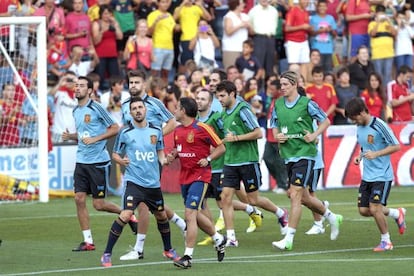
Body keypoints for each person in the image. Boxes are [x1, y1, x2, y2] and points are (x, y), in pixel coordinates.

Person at [100, 97, 179, 267]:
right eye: (134, 108)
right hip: (134, 182)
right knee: (126, 214)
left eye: (140, 107)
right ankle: (106, 253)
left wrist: (165, 160)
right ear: (130, 112)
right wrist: (121, 162)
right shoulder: (125, 132)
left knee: (161, 215)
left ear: (145, 110)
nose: (137, 110)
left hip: (152, 183)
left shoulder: (156, 130)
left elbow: (159, 152)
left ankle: (168, 249)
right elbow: (115, 154)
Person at [271, 71, 343, 251]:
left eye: (285, 85)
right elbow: (273, 125)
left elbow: (325, 121)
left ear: (294, 84)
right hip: (288, 155)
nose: (282, 88)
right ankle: (331, 216)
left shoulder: (307, 103)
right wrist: (277, 136)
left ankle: (288, 238)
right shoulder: (278, 104)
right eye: (281, 85)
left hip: (305, 154)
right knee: (304, 197)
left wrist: (314, 134)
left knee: (295, 194)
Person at [62, 76, 136, 252]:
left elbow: (114, 127)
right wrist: (71, 136)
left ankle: (128, 214)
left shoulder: (96, 107)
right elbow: (84, 134)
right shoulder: (75, 111)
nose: (77, 88)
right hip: (81, 161)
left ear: (89, 91)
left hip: (98, 162)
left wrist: (96, 139)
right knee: (79, 198)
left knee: (98, 204)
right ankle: (88, 241)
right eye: (76, 85)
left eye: (81, 86)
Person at [119, 70, 186, 261]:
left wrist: (154, 140)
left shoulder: (155, 103)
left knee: (142, 204)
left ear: (144, 85)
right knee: (152, 204)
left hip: (151, 158)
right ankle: (181, 223)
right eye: (130, 82)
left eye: (136, 82)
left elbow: (173, 122)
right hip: (133, 158)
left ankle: (139, 249)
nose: (133, 85)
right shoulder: (125, 106)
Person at [216, 80, 288, 247]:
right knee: (225, 198)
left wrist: (236, 138)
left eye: (222, 96)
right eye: (217, 96)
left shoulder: (243, 110)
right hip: (230, 162)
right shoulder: (224, 112)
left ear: (232, 94)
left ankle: (280, 213)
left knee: (253, 200)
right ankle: (231, 237)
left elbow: (258, 133)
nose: (219, 99)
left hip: (248, 161)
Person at [166, 97, 227, 269]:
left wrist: (208, 159)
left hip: (200, 176)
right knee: (195, 214)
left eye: (177, 108)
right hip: (184, 177)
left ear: (183, 110)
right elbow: (179, 150)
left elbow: (221, 147)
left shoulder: (202, 128)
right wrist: (172, 156)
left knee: (190, 214)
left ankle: (187, 257)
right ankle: (218, 238)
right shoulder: (177, 131)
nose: (175, 111)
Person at [344, 97, 406, 252]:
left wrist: (377, 154)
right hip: (367, 176)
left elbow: (396, 146)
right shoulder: (359, 127)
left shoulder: (379, 125)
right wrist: (360, 156)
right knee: (364, 210)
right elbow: (365, 147)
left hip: (382, 176)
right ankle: (396, 213)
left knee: (375, 207)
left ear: (363, 112)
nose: (354, 121)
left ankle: (386, 241)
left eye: (355, 118)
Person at [91, 4, 123, 90]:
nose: (107, 16)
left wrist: (116, 25)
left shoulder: (113, 23)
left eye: (109, 13)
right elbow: (95, 41)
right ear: (101, 14)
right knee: (100, 76)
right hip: (100, 55)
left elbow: (120, 37)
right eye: (105, 13)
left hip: (112, 54)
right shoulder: (97, 23)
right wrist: (102, 31)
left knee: (115, 77)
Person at [368, 4, 396, 89]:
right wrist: (377, 22)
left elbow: (395, 33)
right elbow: (372, 33)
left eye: (382, 14)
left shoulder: (388, 23)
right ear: (376, 14)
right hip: (377, 54)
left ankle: (387, 95)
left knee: (387, 75)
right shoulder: (372, 23)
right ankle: (380, 93)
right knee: (378, 75)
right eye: (379, 14)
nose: (381, 16)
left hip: (389, 53)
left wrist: (389, 21)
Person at [248, 0, 278, 77]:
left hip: (271, 39)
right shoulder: (253, 11)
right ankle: (258, 87)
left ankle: (269, 88)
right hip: (258, 39)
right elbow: (249, 26)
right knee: (258, 65)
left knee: (270, 66)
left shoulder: (274, 11)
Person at [222, 0, 251, 70]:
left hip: (244, 49)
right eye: (241, 3)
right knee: (231, 71)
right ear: (236, 4)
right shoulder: (229, 16)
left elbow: (252, 32)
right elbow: (228, 32)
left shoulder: (245, 16)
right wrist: (240, 25)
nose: (243, 4)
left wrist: (249, 26)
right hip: (231, 49)